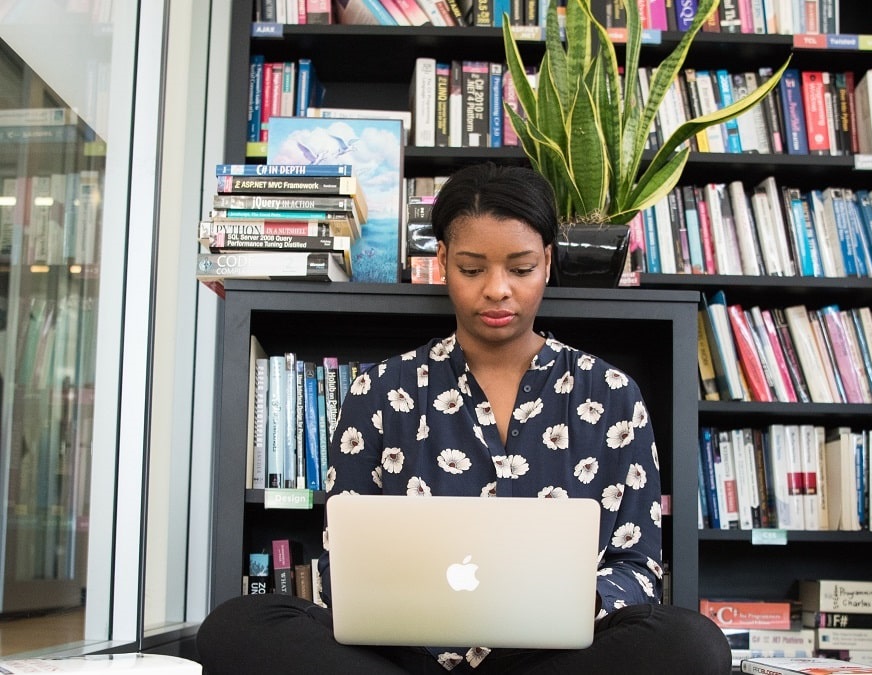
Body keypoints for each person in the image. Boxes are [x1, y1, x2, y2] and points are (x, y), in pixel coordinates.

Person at [196, 162, 731, 674]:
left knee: (693, 644)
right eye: (472, 269)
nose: (497, 289)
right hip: (407, 657)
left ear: (547, 260)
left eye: (520, 268)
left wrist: (566, 606)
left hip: (554, 660)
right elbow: (345, 570)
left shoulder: (612, 394)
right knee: (236, 628)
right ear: (443, 259)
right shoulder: (380, 390)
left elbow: (638, 567)